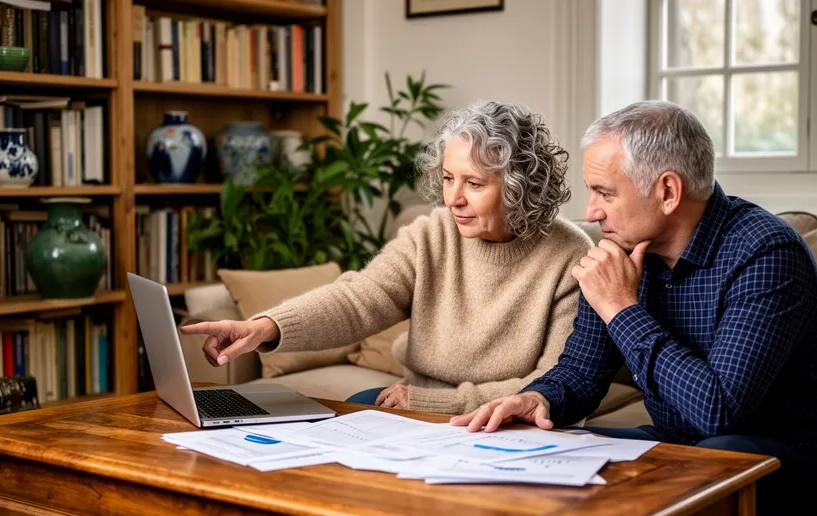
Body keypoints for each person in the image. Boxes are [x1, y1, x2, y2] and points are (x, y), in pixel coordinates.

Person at [451, 101, 817, 516]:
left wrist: (621, 307)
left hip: (800, 453)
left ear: (668, 191)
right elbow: (581, 371)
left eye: (605, 193)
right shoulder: (620, 247)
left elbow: (718, 412)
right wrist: (537, 398)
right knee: (540, 449)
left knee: (711, 462)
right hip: (678, 443)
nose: (591, 212)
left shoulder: (766, 252)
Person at [181, 101, 593, 414]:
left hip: (501, 416)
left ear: (521, 186)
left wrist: (433, 402)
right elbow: (360, 298)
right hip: (408, 404)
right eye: (449, 178)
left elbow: (554, 381)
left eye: (474, 183)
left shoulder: (569, 256)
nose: (454, 198)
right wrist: (266, 326)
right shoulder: (433, 233)